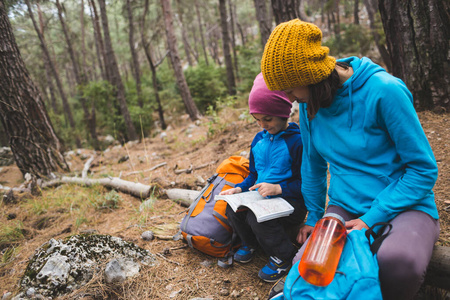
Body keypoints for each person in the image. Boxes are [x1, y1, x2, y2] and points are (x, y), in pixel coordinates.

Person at [260, 19, 440, 300]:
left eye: (290, 89)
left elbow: (423, 169)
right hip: (345, 205)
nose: (289, 99)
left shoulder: (384, 91)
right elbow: (313, 165)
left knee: (397, 264)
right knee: (307, 266)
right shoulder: (310, 107)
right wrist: (316, 215)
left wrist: (372, 218)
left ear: (311, 75)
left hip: (404, 206)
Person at [220, 73, 307, 283]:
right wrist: (239, 189)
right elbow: (253, 175)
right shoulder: (259, 139)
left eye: (267, 119)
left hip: (291, 202)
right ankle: (250, 244)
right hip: (261, 198)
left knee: (255, 218)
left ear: (283, 113)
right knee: (232, 208)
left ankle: (284, 257)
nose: (262, 124)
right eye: (257, 119)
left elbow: (305, 183)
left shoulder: (297, 142)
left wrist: (279, 189)